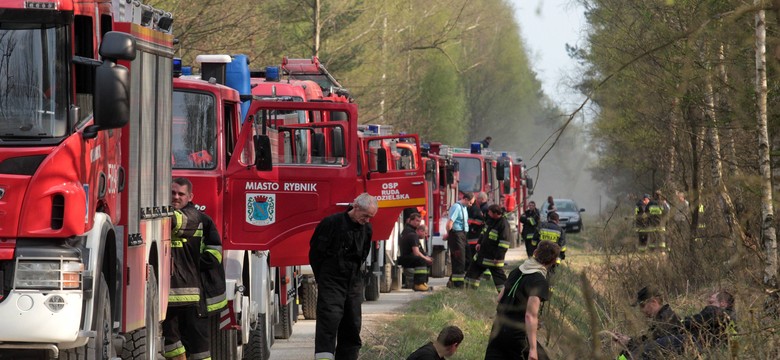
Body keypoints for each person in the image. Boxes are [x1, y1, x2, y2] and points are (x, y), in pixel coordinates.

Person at [309, 193, 378, 360]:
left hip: (353, 281)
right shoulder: (331, 223)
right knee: (329, 322)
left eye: (371, 217)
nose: (367, 220)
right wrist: (323, 279)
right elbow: (315, 254)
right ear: (356, 207)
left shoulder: (367, 229)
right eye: (366, 216)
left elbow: (364, 254)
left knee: (353, 325)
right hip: (331, 280)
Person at [164, 178, 225, 360]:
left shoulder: (196, 217)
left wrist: (193, 264)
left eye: (180, 194)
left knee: (199, 349)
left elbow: (215, 254)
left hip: (192, 297)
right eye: (172, 193)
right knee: (172, 347)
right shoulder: (167, 219)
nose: (176, 197)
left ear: (190, 197)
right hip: (168, 297)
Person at [484, 240, 561, 360]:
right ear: (553, 261)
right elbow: (530, 316)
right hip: (517, 335)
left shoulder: (517, 271)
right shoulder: (539, 281)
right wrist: (533, 349)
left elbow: (499, 298)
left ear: (535, 252)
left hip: (498, 329)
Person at [611, 286, 682, 360]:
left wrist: (629, 342)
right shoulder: (662, 319)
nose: (641, 310)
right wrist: (628, 341)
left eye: (642, 305)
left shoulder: (667, 319)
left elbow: (649, 346)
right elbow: (647, 341)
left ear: (653, 301)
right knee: (624, 354)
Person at [464, 205, 511, 292]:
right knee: (472, 271)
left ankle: (506, 295)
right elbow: (483, 232)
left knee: (499, 278)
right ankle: (469, 292)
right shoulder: (490, 221)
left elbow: (504, 243)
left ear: (495, 213)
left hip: (494, 258)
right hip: (483, 255)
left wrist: (498, 257)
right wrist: (479, 243)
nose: (488, 214)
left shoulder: (503, 224)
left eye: (490, 212)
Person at [446, 192, 474, 288]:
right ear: (465, 199)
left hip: (463, 235)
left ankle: (452, 281)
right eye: (470, 202)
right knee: (459, 260)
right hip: (456, 235)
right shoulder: (456, 207)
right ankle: (457, 285)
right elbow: (449, 223)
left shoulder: (464, 208)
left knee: (467, 259)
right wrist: (450, 235)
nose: (471, 205)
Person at [398, 224, 433, 291]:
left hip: (408, 258)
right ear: (420, 231)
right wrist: (426, 258)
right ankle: (419, 284)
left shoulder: (413, 236)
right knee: (421, 260)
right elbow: (416, 253)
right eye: (425, 233)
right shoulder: (413, 236)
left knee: (426, 262)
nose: (426, 235)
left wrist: (427, 257)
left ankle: (423, 282)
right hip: (405, 259)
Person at [466, 192, 487, 271]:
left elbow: (480, 221)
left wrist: (473, 228)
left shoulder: (475, 209)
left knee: (473, 256)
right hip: (471, 237)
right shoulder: (472, 208)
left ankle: (473, 270)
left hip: (474, 238)